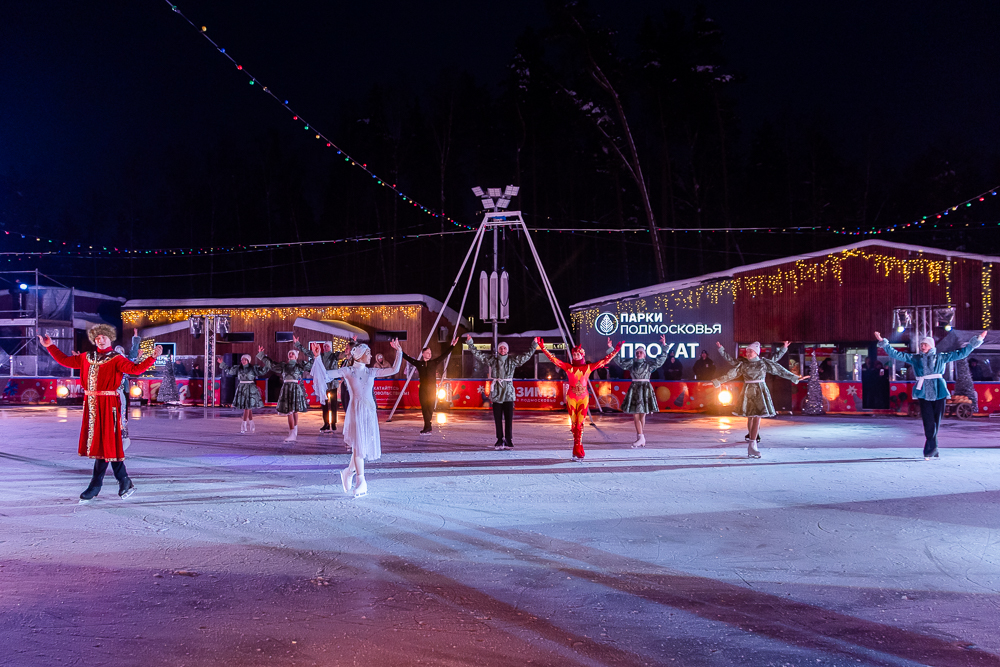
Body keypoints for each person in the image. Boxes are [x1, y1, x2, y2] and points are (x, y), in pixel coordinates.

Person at [38, 325, 163, 501]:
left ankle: (97, 485)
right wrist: (50, 346)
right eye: (97, 338)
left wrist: (152, 358)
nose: (100, 340)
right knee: (102, 445)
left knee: (107, 444)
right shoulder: (87, 357)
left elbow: (135, 370)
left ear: (110, 338)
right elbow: (65, 360)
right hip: (92, 405)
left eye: (103, 337)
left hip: (110, 404)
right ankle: (122, 481)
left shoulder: (117, 358)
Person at [875, 330, 986, 459]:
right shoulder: (916, 358)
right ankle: (930, 450)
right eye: (921, 344)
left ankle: (933, 448)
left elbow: (961, 353)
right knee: (928, 422)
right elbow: (896, 354)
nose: (922, 346)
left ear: (932, 346)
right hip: (923, 392)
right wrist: (884, 342)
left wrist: (976, 341)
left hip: (939, 391)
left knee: (936, 422)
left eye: (925, 344)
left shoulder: (941, 357)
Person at [318, 340, 403, 498]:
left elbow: (394, 369)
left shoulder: (371, 372)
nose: (371, 355)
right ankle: (361, 480)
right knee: (358, 446)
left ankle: (348, 472)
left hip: (370, 411)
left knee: (361, 445)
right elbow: (325, 375)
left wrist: (399, 352)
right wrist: (317, 358)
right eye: (368, 353)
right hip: (356, 411)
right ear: (360, 355)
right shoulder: (348, 371)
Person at [712, 341, 805, 459]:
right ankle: (752, 443)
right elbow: (731, 371)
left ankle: (753, 444)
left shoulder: (763, 363)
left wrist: (794, 376)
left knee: (756, 417)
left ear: (756, 352)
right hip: (748, 391)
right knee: (751, 417)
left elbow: (779, 369)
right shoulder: (743, 364)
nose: (747, 353)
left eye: (750, 351)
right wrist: (717, 380)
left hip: (760, 390)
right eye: (747, 351)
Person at [538, 336, 623, 460]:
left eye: (578, 354)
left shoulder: (587, 368)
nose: (576, 356)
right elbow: (554, 360)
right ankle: (577, 448)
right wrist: (543, 348)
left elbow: (603, 361)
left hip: (583, 398)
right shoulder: (568, 367)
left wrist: (615, 351)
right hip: (572, 397)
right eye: (574, 354)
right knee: (574, 424)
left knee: (580, 424)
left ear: (582, 355)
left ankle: (578, 447)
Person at [464, 334, 539, 450]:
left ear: (507, 350)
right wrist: (470, 343)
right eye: (500, 348)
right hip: (497, 393)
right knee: (497, 418)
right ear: (498, 350)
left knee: (508, 418)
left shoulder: (512, 361)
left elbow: (526, 356)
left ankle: (508, 439)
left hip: (508, 393)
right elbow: (479, 355)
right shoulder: (493, 361)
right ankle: (499, 439)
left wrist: (534, 345)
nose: (502, 350)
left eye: (504, 348)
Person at [610, 335, 667, 447]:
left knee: (642, 415)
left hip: (645, 388)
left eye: (641, 352)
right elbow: (619, 361)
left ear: (644, 354)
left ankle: (641, 437)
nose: (639, 354)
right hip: (635, 388)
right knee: (636, 414)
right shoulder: (631, 363)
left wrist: (664, 345)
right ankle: (641, 436)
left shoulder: (649, 364)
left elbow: (661, 360)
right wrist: (612, 348)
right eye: (637, 352)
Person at [257, 336, 311, 442]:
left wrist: (299, 345)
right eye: (289, 354)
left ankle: (294, 432)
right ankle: (292, 432)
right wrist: (262, 356)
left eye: (293, 354)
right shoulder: (284, 366)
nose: (291, 354)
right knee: (289, 411)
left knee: (293, 411)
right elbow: (272, 365)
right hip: (287, 388)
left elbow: (312, 361)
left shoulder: (300, 366)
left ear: (296, 357)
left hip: (295, 388)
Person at [402, 337, 459, 434]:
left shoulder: (434, 362)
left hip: (432, 389)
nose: (430, 354)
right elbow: (408, 358)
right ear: (423, 354)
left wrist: (452, 346)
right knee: (424, 407)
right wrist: (399, 350)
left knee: (430, 407)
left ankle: (428, 426)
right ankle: (427, 426)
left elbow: (444, 355)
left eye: (430, 352)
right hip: (423, 389)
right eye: (427, 352)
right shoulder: (419, 364)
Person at [297, 338, 353, 433]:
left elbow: (345, 353)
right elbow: (309, 353)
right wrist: (298, 344)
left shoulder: (334, 355)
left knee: (334, 404)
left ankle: (333, 423)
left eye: (328, 346)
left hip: (333, 384)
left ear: (330, 348)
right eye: (325, 346)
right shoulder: (321, 356)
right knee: (324, 404)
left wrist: (352, 343)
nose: (326, 348)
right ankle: (326, 423)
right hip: (323, 384)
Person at [217, 352, 265, 434]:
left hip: (250, 388)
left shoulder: (253, 368)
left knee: (247, 406)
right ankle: (251, 423)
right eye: (242, 359)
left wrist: (262, 356)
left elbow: (262, 371)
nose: (243, 361)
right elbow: (229, 371)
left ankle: (244, 424)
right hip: (242, 387)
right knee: (247, 407)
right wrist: (222, 364)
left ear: (248, 361)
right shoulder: (238, 368)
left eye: (245, 360)